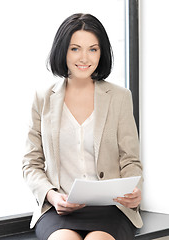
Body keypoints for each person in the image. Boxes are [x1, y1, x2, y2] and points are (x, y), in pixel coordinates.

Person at [22, 13, 143, 240]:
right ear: (62, 50)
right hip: (60, 209)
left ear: (102, 52)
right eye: (75, 48)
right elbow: (31, 163)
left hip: (111, 209)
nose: (84, 58)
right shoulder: (42, 98)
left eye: (93, 49)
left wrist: (134, 192)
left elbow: (131, 161)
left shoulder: (119, 97)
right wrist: (52, 196)